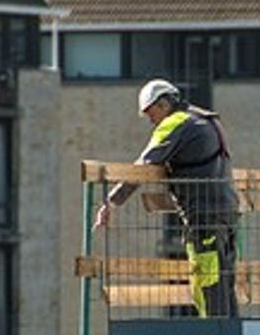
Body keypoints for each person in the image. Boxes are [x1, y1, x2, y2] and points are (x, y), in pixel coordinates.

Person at [93, 79, 239, 318]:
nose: (151, 120)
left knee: (206, 284)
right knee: (224, 284)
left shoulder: (175, 123)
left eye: (151, 113)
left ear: (164, 104)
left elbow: (142, 166)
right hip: (227, 214)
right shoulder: (207, 120)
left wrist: (111, 201)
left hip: (203, 219)